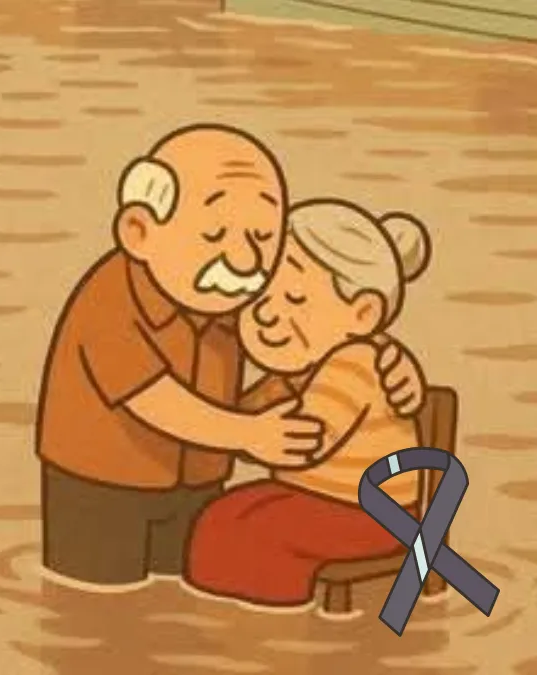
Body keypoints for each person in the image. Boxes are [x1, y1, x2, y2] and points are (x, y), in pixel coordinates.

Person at [36, 124, 427, 591]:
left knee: (189, 581)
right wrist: (248, 433)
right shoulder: (110, 299)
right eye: (215, 233)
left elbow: (313, 349)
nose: (244, 261)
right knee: (99, 600)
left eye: (261, 238)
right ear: (139, 231)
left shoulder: (232, 297)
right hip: (104, 485)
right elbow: (152, 398)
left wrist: (391, 359)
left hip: (197, 483)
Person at [184, 199, 431, 607]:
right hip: (315, 499)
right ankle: (247, 604)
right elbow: (249, 412)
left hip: (370, 514)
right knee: (223, 516)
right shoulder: (303, 366)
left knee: (256, 530)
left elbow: (309, 439)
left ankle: (280, 612)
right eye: (263, 294)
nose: (267, 313)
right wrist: (245, 420)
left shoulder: (356, 362)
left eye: (296, 298)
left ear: (363, 313)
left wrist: (253, 435)